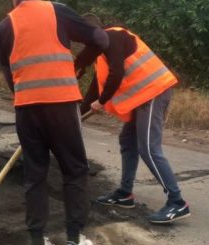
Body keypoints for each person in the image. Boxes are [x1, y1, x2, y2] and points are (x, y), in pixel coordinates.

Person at [0, 0, 109, 245]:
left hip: (27, 108)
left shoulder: (5, 25)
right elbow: (101, 39)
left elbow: (9, 71)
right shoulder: (55, 10)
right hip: (61, 104)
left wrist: (24, 94)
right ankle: (74, 240)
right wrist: (80, 64)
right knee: (74, 169)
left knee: (35, 174)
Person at [76, 14, 190, 225]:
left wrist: (102, 101)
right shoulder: (102, 54)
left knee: (148, 147)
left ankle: (177, 202)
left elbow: (117, 74)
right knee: (127, 141)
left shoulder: (114, 36)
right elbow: (94, 88)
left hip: (154, 92)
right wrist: (75, 115)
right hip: (142, 97)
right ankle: (124, 194)